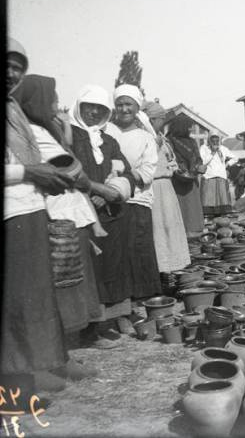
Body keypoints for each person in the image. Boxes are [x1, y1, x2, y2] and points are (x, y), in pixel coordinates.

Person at [3, 39, 83, 398]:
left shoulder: (13, 110)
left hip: (27, 209)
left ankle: (22, 379)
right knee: (14, 303)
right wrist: (31, 174)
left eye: (18, 65)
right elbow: (21, 168)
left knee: (28, 300)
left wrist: (45, 178)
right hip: (10, 214)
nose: (11, 72)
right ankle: (13, 389)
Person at [13, 75, 103, 338]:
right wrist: (100, 188)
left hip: (67, 210)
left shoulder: (42, 128)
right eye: (52, 99)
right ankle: (67, 342)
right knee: (65, 278)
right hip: (59, 213)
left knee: (72, 276)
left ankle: (73, 338)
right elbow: (73, 170)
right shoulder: (36, 132)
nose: (56, 105)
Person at [70, 85, 137, 349]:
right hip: (84, 212)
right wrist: (96, 191)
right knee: (91, 270)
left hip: (112, 212)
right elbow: (69, 172)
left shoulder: (109, 141)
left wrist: (113, 190)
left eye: (100, 108)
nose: (94, 112)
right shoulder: (71, 138)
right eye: (89, 107)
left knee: (114, 266)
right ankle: (90, 329)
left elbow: (127, 173)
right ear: (80, 108)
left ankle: (115, 318)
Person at [105, 85, 161, 301]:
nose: (124, 108)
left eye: (129, 104)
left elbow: (147, 170)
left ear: (137, 107)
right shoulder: (106, 131)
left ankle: (143, 300)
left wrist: (123, 180)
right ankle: (121, 302)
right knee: (117, 252)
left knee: (139, 249)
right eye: (120, 104)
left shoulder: (145, 137)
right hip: (111, 198)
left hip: (137, 200)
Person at [143, 101, 191, 274]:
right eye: (160, 119)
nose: (162, 122)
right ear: (151, 119)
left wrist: (174, 166)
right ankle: (161, 267)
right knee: (159, 227)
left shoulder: (161, 138)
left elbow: (169, 159)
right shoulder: (145, 137)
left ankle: (172, 266)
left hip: (166, 186)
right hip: (154, 187)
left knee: (170, 225)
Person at [167, 114, 206, 237]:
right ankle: (181, 236)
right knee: (180, 209)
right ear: (181, 127)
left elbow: (198, 158)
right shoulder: (169, 141)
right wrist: (180, 169)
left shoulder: (192, 142)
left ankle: (194, 236)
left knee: (192, 209)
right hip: (177, 182)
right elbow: (169, 159)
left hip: (191, 181)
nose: (191, 130)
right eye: (189, 127)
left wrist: (200, 166)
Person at [201, 134, 236, 215]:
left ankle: (221, 217)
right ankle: (209, 216)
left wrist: (227, 165)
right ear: (209, 140)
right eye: (213, 140)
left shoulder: (223, 149)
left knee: (222, 199)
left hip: (221, 176)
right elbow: (203, 162)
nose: (215, 142)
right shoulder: (204, 148)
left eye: (217, 140)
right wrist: (212, 152)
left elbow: (235, 158)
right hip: (209, 176)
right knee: (209, 199)